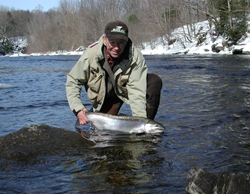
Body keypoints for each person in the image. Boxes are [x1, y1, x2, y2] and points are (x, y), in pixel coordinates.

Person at [66, 20, 162, 125]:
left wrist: (140, 123)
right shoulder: (91, 54)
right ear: (104, 40)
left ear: (126, 42)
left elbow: (137, 91)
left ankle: (148, 124)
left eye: (121, 43)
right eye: (112, 42)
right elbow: (73, 81)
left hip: (123, 92)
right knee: (103, 132)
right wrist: (78, 109)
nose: (116, 47)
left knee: (154, 81)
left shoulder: (135, 57)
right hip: (105, 97)